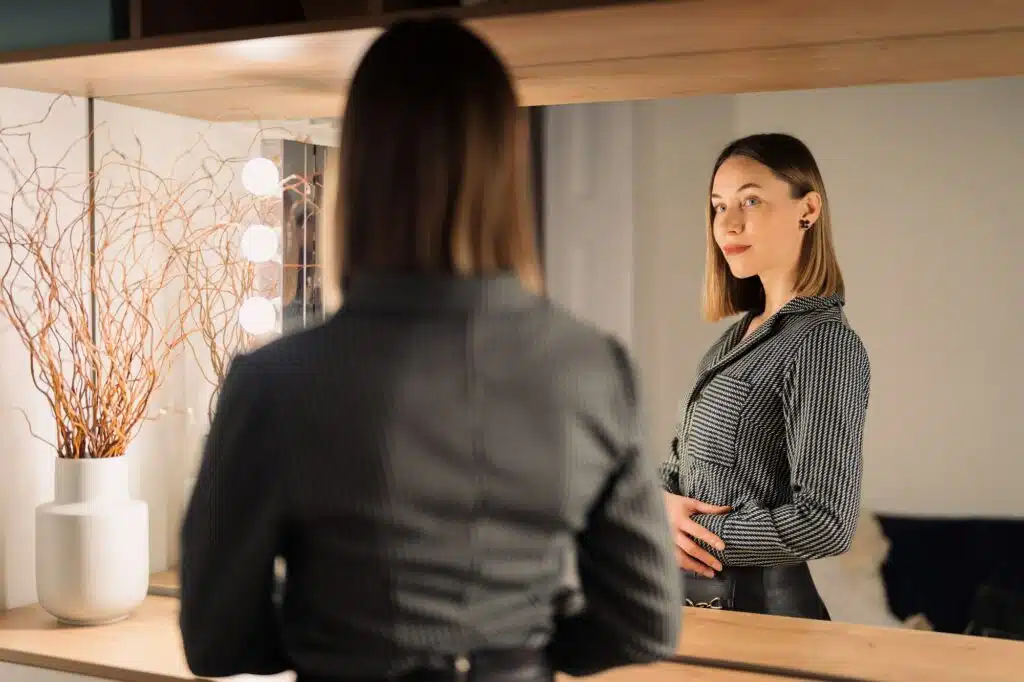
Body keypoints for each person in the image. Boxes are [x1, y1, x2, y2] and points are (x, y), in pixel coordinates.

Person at [179, 17, 681, 682]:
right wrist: (520, 652)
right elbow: (646, 620)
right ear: (505, 173)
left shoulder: (276, 384)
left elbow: (218, 641)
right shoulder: (593, 370)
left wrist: (333, 641)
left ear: (358, 170)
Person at [660, 133, 871, 620]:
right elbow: (683, 472)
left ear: (808, 210)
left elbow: (826, 522)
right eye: (718, 206)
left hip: (766, 617)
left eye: (751, 200)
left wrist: (697, 537)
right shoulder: (732, 342)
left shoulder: (822, 343)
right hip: (697, 609)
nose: (728, 223)